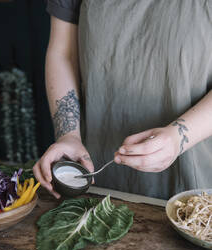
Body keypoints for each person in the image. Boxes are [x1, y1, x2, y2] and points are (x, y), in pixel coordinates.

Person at [33, 0, 212, 200]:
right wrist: (69, 136)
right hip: (95, 170)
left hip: (192, 181)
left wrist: (178, 137)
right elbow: (63, 54)